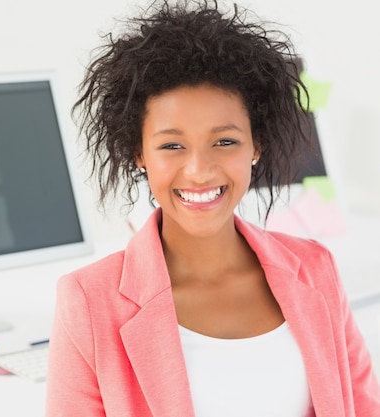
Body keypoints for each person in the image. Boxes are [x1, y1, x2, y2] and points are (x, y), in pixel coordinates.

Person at [45, 1, 380, 416]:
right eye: (172, 145)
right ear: (139, 153)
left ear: (256, 145)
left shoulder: (315, 268)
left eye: (225, 141)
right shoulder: (88, 300)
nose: (199, 171)